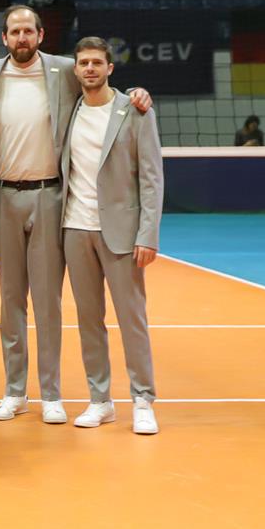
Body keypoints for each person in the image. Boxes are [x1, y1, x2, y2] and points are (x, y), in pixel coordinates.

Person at [0, 5, 151, 425]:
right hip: (2, 198)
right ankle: (15, 392)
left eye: (28, 31)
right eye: (15, 32)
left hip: (50, 196)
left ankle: (51, 395)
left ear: (41, 35)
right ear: (4, 37)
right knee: (11, 300)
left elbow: (101, 82)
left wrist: (138, 92)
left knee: (48, 301)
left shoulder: (65, 70)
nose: (22, 37)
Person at [61, 37, 163, 435]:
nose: (90, 68)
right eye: (83, 62)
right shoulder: (68, 109)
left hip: (121, 232)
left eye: (96, 62)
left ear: (110, 68)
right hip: (75, 228)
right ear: (75, 69)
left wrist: (148, 233)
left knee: (131, 319)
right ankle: (100, 400)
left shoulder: (135, 110)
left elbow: (151, 178)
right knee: (89, 321)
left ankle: (143, 399)